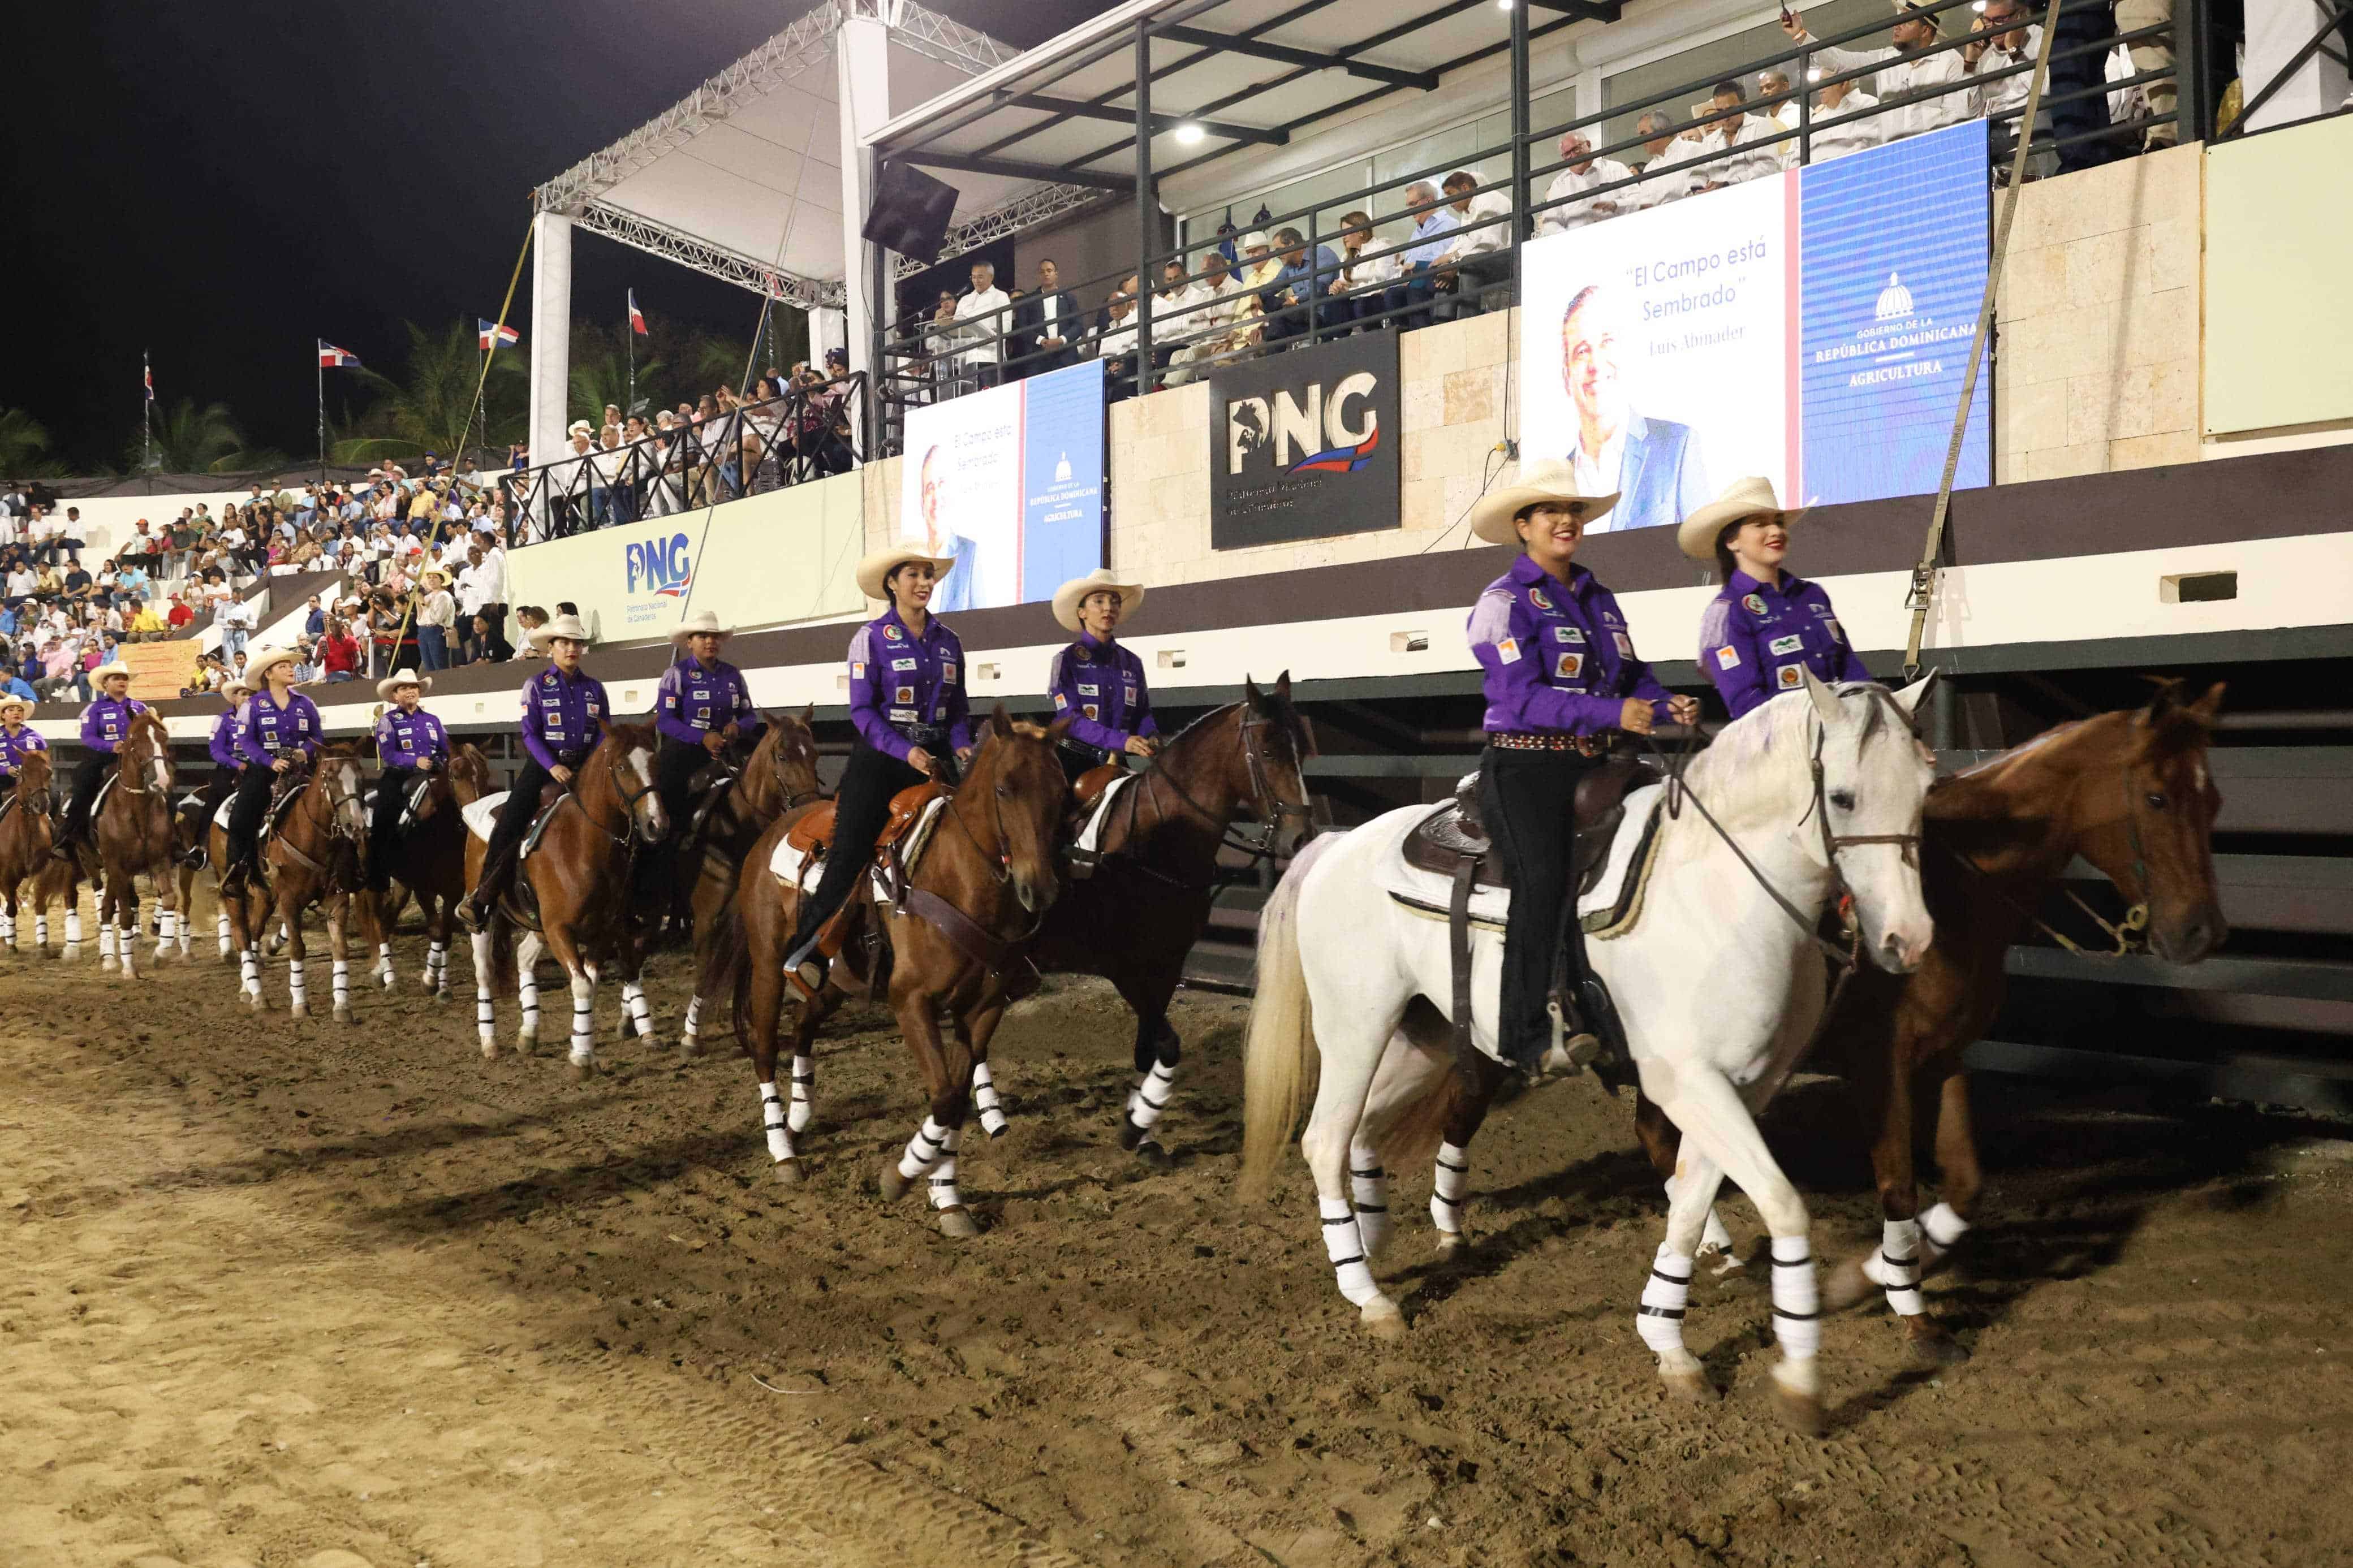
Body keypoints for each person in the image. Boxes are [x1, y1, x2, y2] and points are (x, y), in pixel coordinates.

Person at [1464, 460, 1699, 1074]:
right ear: (1522, 527)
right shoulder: (1501, 604)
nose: (1565, 521)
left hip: (1600, 763)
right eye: (1550, 512)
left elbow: (1630, 678)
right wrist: (1613, 712)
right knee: (1540, 882)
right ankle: (1521, 1033)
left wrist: (1660, 702)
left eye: (1573, 512)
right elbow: (1521, 698)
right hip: (1525, 768)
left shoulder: (1599, 598)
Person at [779, 546, 972, 997]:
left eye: (928, 575)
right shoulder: (870, 638)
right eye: (913, 575)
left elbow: (959, 710)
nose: (923, 582)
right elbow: (863, 713)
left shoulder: (950, 641)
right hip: (881, 760)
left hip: (938, 756)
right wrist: (907, 753)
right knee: (849, 853)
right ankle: (802, 953)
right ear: (892, 584)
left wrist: (962, 746)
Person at [459, 615, 608, 930]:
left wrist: (592, 765)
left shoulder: (595, 689)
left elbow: (603, 732)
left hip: (586, 767)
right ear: (550, 648)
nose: (572, 649)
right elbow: (530, 733)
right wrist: (553, 766)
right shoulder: (536, 686)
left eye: (577, 643)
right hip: (544, 767)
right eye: (565, 643)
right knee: (510, 822)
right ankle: (483, 896)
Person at [1686, 478, 1873, 719]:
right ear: (1732, 541)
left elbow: (1850, 669)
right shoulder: (1726, 612)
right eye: (1760, 524)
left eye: (1779, 523)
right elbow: (1747, 706)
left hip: (1844, 736)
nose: (1776, 531)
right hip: (1783, 747)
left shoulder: (1812, 595)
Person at [1553, 284, 1713, 534]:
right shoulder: (1556, 482)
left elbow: (1707, 556)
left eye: (1607, 342)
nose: (1596, 364)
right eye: (1582, 351)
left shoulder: (1677, 447)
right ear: (1566, 377)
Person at [648, 608, 756, 887]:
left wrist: (738, 728)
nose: (710, 641)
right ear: (690, 643)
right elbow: (666, 721)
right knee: (667, 796)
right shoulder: (676, 675)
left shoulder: (733, 675)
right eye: (703, 637)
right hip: (685, 749)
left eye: (715, 637)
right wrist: (701, 737)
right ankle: (658, 867)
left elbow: (749, 715)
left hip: (726, 748)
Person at [1781, 2, 1971, 145]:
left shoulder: (1949, 58)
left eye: (1907, 21)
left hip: (1934, 150)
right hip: (1891, 156)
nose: (1897, 25)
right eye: (1898, 19)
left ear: (1926, 30)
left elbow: (1956, 114)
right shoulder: (1886, 57)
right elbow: (1840, 63)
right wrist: (1800, 35)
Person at [222, 646, 322, 894]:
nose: (291, 669)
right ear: (269, 674)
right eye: (283, 667)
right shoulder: (252, 705)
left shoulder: (306, 703)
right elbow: (245, 741)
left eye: (290, 666)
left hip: (300, 769)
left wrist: (305, 752)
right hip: (263, 769)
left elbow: (318, 736)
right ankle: (239, 868)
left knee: (335, 806)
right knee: (240, 818)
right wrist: (270, 762)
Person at [1047, 568, 1159, 785]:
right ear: (1082, 613)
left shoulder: (1132, 662)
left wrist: (1152, 734)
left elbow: (1142, 713)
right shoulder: (1066, 660)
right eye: (1099, 601)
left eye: (1114, 601)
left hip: (1117, 766)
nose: (1108, 607)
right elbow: (1070, 720)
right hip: (1069, 765)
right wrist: (1122, 741)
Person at [366, 669, 451, 892]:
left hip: (433, 774)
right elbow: (388, 754)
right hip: (398, 774)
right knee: (384, 814)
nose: (410, 691)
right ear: (395, 696)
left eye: (413, 687)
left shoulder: (434, 721)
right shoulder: (388, 720)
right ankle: (378, 876)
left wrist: (439, 762)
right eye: (404, 688)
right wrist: (415, 761)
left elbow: (445, 750)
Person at [56, 658, 145, 862]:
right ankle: (68, 837)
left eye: (124, 678)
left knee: (163, 787)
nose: (122, 682)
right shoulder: (94, 709)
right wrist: (110, 746)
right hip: (104, 757)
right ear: (106, 684)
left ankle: (172, 839)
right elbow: (87, 737)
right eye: (116, 678)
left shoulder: (141, 708)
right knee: (83, 786)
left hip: (137, 760)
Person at [185, 676, 252, 867]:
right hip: (230, 769)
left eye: (251, 695)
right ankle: (200, 848)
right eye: (244, 694)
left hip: (256, 767)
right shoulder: (222, 720)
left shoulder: (260, 720)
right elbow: (216, 751)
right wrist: (236, 764)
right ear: (234, 698)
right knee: (215, 798)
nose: (248, 698)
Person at [1432, 170, 1516, 316]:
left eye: (1450, 194)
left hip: (1508, 260)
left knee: (1469, 264)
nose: (1449, 202)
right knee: (1443, 275)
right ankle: (1442, 326)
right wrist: (1447, 264)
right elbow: (1461, 242)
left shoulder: (1490, 199)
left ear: (1465, 188)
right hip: (1484, 260)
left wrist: (1454, 259)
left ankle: (1467, 321)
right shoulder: (1467, 213)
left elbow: (1488, 243)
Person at [911, 444, 979, 614]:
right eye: (930, 488)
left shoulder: (970, 554)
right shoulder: (912, 563)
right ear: (922, 503)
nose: (936, 497)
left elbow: (984, 623)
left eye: (941, 484)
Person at [1537, 133, 1636, 236]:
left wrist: (1616, 205)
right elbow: (1551, 222)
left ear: (1588, 145)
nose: (1573, 156)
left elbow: (1637, 199)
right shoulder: (1559, 184)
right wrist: (1569, 239)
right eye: (1567, 154)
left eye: (1576, 149)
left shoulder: (1615, 169)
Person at [951, 260, 1012, 392]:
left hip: (991, 359)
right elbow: (955, 329)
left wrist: (982, 332)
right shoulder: (964, 300)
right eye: (973, 277)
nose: (976, 281)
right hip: (968, 360)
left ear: (991, 277)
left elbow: (1006, 327)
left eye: (980, 277)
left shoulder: (1000, 297)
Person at [1015, 257, 1079, 379]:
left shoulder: (1069, 298)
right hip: (1038, 357)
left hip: (1066, 355)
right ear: (1038, 276)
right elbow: (1022, 326)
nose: (1046, 274)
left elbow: (1078, 325)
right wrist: (1042, 341)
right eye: (1042, 272)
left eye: (1049, 271)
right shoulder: (1028, 300)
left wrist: (1061, 340)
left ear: (1056, 274)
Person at [0, 692, 47, 810]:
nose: (16, 713)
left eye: (19, 710)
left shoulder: (35, 736)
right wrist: (6, 770)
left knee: (52, 799)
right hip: (3, 780)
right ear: (3, 715)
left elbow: (44, 760)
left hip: (30, 781)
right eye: (11, 710)